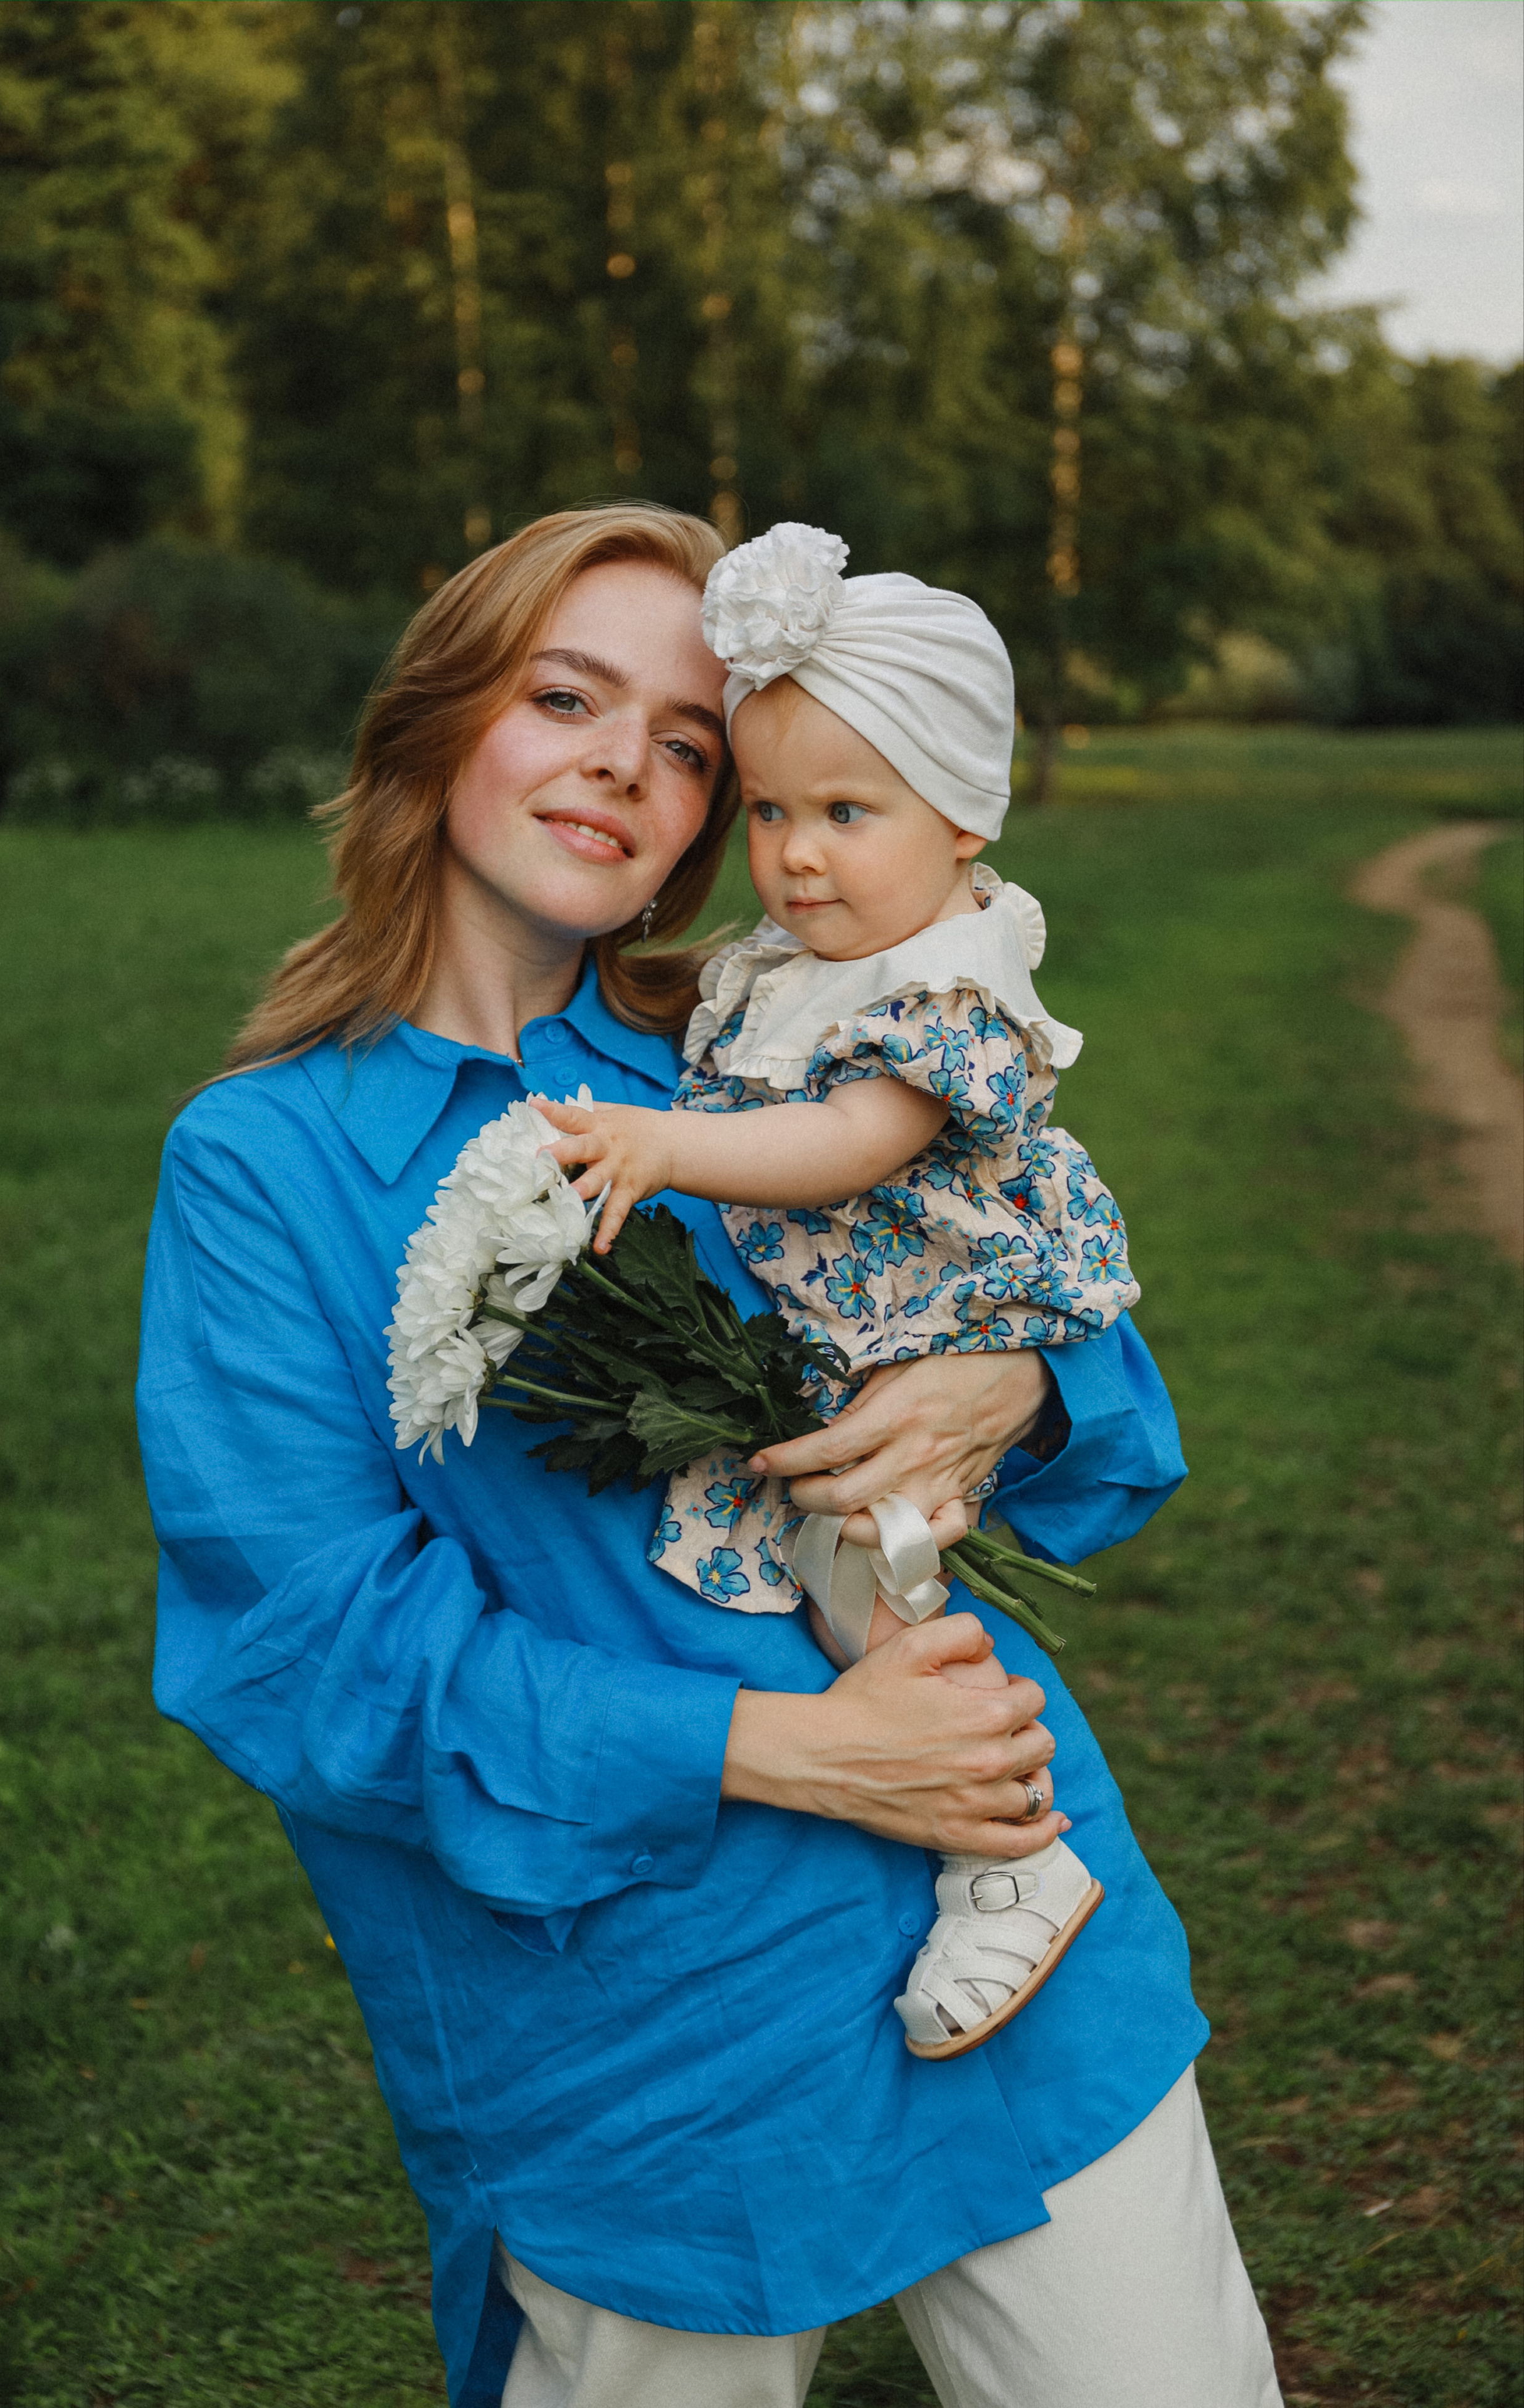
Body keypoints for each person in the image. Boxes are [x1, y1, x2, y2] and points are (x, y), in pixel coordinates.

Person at [135, 502, 1283, 2408]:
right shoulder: (264, 1167)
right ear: (437, 717)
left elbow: (1087, 1380)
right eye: (563, 698)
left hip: (1005, 1901)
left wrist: (1014, 1379)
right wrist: (797, 1752)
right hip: (637, 2021)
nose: (623, 767)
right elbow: (312, 1655)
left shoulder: (772, 1045)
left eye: (685, 745)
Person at [534, 522, 1134, 2062]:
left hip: (923, 1323)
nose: (796, 855)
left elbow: (851, 1144)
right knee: (850, 1582)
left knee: (867, 1585)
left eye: (845, 812)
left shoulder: (940, 988)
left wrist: (666, 1144)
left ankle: (1011, 1849)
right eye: (771, 811)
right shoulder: (811, 959)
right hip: (854, 1345)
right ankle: (988, 1824)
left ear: (961, 818)